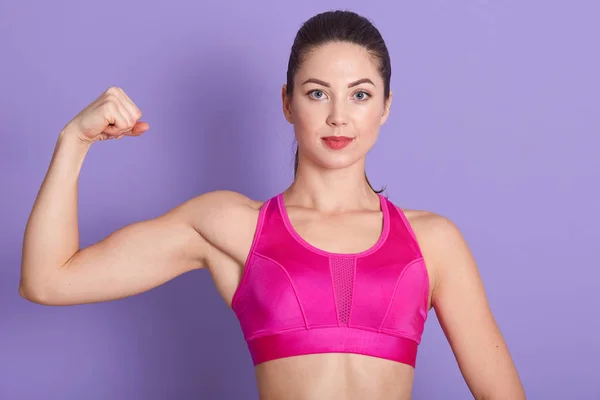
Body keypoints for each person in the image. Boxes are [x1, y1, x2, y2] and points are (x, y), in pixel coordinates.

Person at [19, 10, 526, 400]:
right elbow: (47, 280)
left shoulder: (432, 242)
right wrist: (73, 142)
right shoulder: (229, 226)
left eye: (361, 95)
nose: (338, 117)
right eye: (317, 93)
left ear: (386, 107)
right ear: (287, 102)